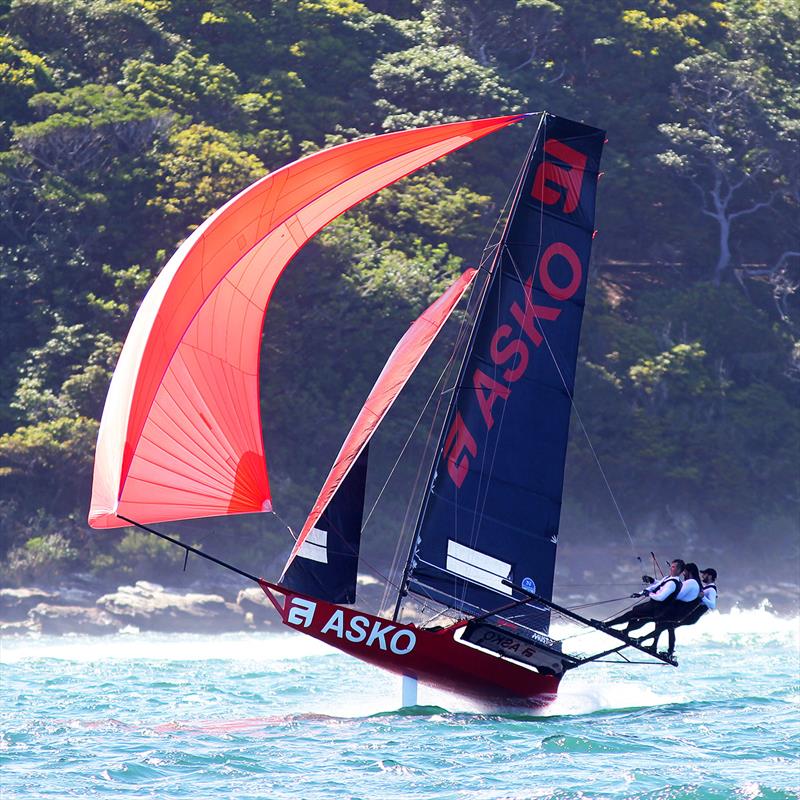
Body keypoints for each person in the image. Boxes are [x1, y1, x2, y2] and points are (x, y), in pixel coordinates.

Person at [637, 565, 717, 660]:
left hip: (691, 616)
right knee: (665, 625)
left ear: (710, 576)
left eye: (705, 574)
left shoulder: (711, 590)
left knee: (665, 625)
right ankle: (659, 648)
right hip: (688, 614)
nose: (702, 576)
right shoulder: (705, 587)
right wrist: (654, 581)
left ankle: (644, 640)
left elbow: (712, 605)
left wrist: (703, 597)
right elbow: (678, 588)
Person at [599, 559, 685, 634]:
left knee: (632, 614)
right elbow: (657, 586)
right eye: (671, 566)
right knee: (636, 611)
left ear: (679, 570)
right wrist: (642, 591)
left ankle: (606, 625)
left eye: (673, 567)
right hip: (654, 606)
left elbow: (661, 597)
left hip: (658, 609)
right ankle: (625, 632)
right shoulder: (668, 578)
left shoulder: (672, 583)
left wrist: (649, 594)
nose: (670, 568)